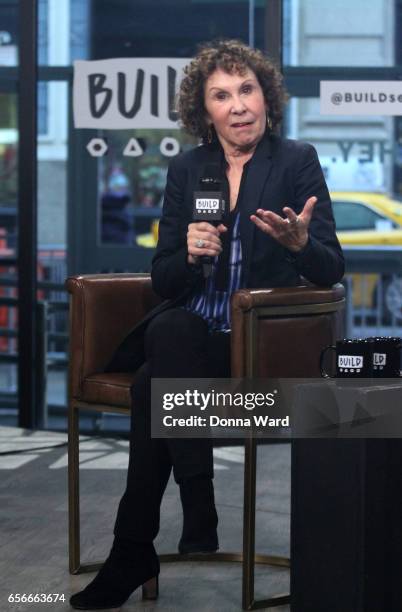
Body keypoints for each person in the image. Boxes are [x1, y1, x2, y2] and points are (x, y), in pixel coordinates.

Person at [70, 39, 344, 610]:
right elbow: (164, 278)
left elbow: (331, 266)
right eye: (222, 95)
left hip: (260, 344)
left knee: (153, 385)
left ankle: (140, 548)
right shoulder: (188, 168)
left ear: (266, 96)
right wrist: (190, 255)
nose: (239, 105)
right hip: (192, 339)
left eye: (247, 89)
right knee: (169, 333)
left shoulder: (296, 160)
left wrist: (298, 246)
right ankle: (192, 502)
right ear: (206, 110)